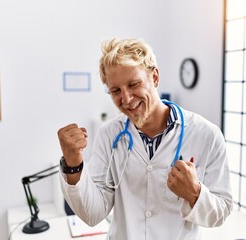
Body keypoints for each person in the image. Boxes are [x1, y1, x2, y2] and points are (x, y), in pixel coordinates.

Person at [57, 38, 232, 240]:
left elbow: (222, 211)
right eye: (116, 90)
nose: (127, 99)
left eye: (134, 84)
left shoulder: (206, 134)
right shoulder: (109, 135)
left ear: (155, 77)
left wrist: (194, 193)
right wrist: (73, 165)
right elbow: (93, 213)